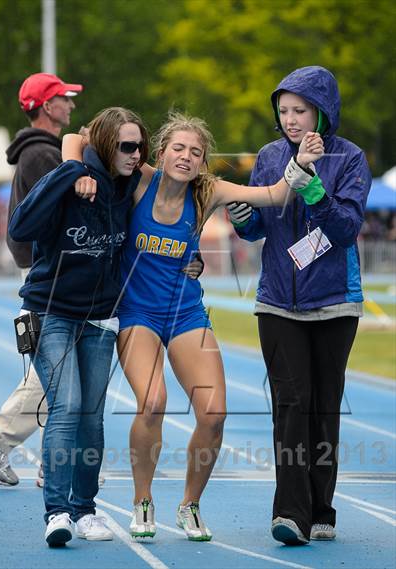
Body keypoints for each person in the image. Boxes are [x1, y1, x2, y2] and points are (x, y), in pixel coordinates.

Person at [64, 111, 324, 541]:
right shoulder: (141, 180)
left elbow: (276, 194)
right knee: (152, 402)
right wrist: (76, 171)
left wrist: (303, 161)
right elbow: (79, 136)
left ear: (203, 161)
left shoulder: (208, 192)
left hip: (185, 312)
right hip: (137, 314)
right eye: (178, 149)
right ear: (162, 151)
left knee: (214, 412)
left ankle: (189, 505)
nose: (186, 157)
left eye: (196, 152)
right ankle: (142, 499)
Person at [227, 66, 372, 545]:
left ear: (322, 112)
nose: (290, 120)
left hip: (334, 303)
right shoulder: (269, 157)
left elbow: (345, 229)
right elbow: (263, 226)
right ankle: (290, 513)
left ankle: (321, 507)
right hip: (277, 303)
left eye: (300, 111)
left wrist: (312, 187)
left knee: (323, 408)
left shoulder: (349, 158)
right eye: (284, 111)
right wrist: (245, 220)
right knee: (291, 405)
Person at [8, 106, 152, 546]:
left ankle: (85, 509)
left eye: (140, 146)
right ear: (106, 147)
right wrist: (69, 172)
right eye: (127, 146)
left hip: (101, 317)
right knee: (66, 407)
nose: (136, 154)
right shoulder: (71, 176)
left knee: (91, 416)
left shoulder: (130, 186)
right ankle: (57, 513)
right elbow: (20, 226)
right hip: (51, 313)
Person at [0, 73, 82, 487]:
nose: (70, 106)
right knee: (55, 371)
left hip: (48, 273)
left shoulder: (42, 152)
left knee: (56, 369)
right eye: (64, 99)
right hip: (48, 276)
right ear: (45, 106)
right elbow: (49, 216)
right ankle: (0, 440)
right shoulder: (41, 156)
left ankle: (49, 457)